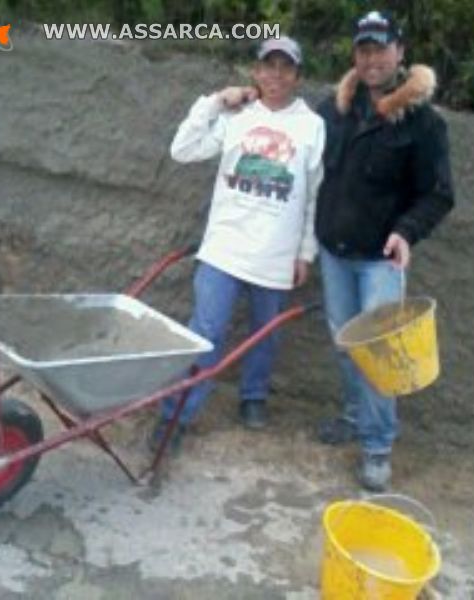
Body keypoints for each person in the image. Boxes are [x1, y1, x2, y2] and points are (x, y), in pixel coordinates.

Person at [149, 36, 325, 451]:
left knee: (265, 334)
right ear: (256, 72)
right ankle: (176, 415)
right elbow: (182, 150)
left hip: (277, 254)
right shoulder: (237, 116)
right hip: (223, 249)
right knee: (205, 333)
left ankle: (253, 397)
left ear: (297, 76)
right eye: (269, 66)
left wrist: (305, 251)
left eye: (286, 67)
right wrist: (213, 103)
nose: (277, 75)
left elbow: (315, 194)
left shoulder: (312, 127)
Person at [314, 11, 454, 490]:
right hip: (333, 251)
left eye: (381, 49)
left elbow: (439, 193)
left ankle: (377, 447)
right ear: (356, 55)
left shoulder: (423, 122)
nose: (372, 59)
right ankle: (354, 417)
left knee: (377, 354)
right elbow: (292, 134)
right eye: (364, 50)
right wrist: (243, 97)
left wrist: (406, 232)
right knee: (344, 345)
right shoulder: (336, 107)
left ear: (399, 52)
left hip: (379, 261)